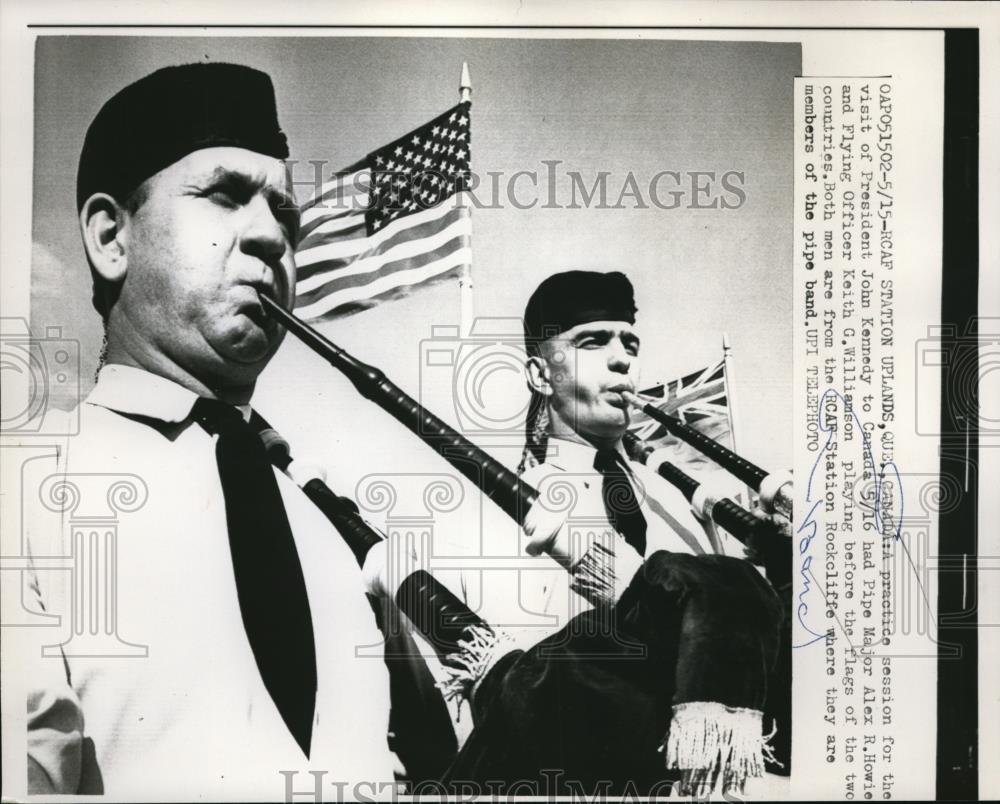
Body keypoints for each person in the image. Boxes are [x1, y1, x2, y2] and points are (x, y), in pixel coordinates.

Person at [23, 63, 395, 799]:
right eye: (223, 196)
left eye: (284, 217)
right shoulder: (24, 491)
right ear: (109, 238)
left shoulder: (336, 525)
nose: (270, 238)